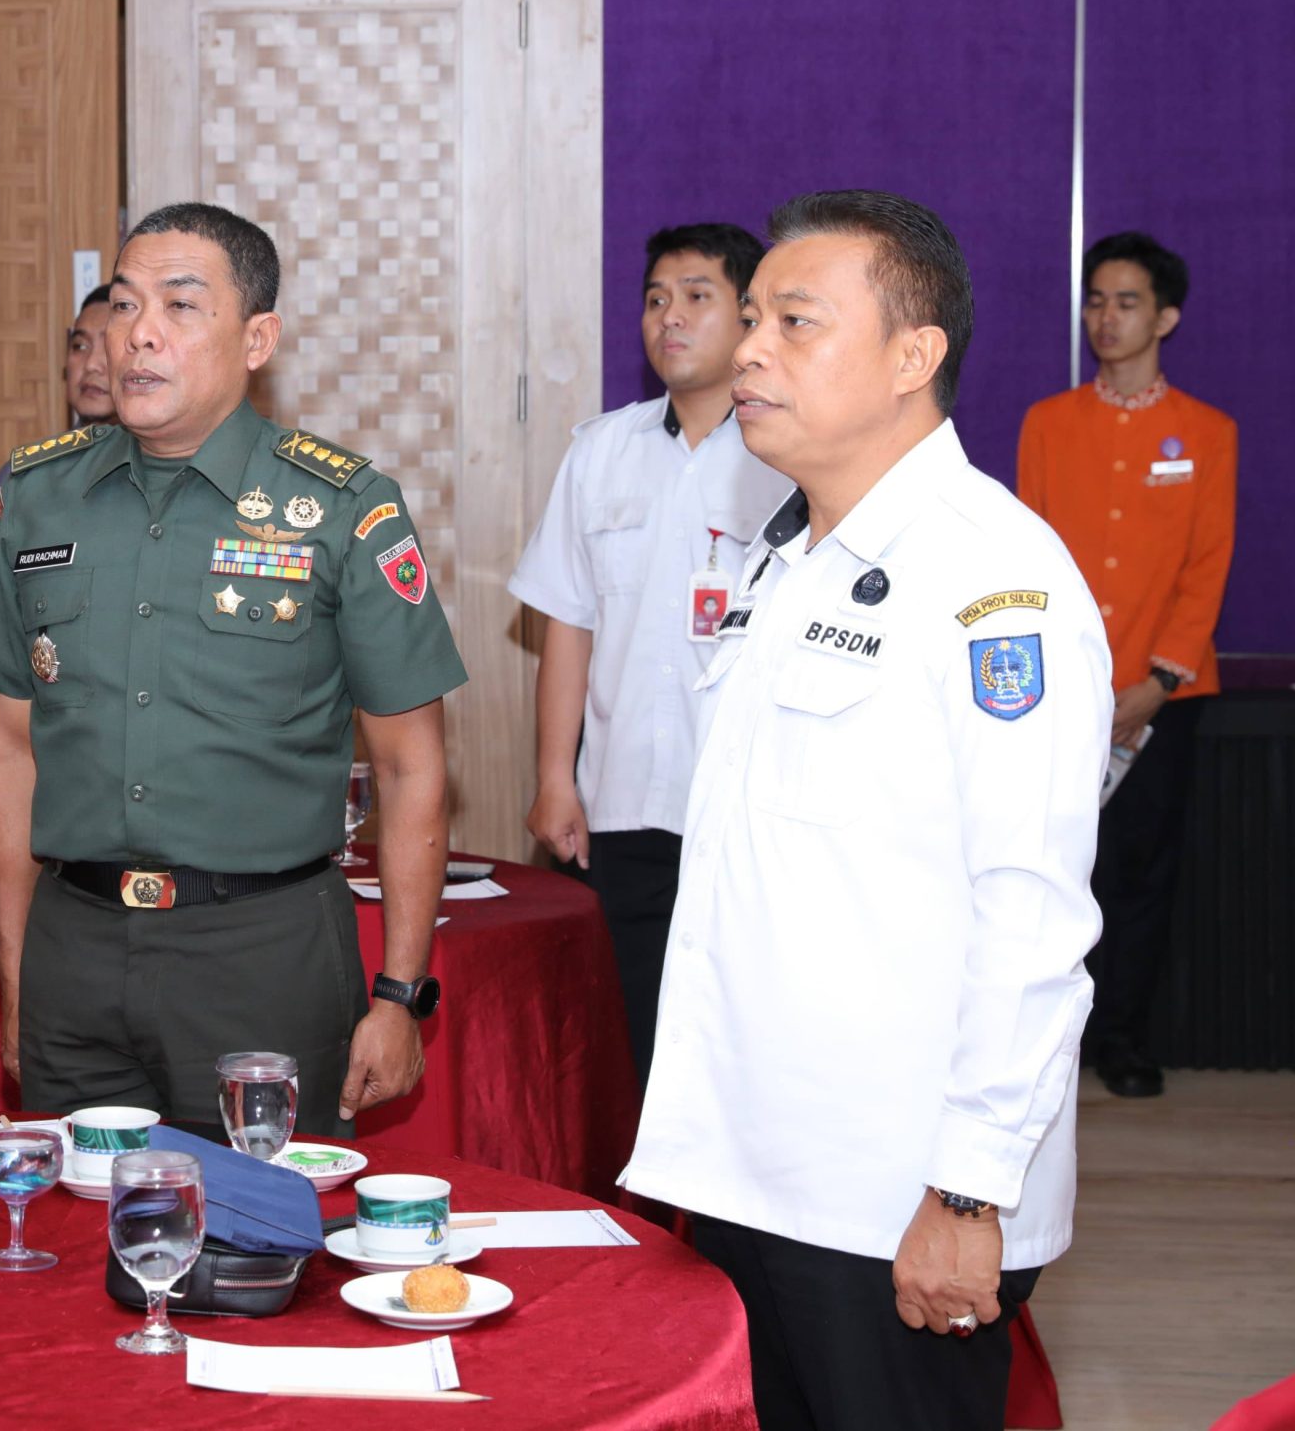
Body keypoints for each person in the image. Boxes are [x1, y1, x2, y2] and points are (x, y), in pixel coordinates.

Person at [621, 192, 1112, 1431]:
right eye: (750, 319)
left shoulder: (993, 577)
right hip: (754, 1165)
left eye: (793, 322)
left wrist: (967, 1190)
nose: (748, 350)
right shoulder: (783, 556)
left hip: (888, 1193)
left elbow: (1030, 915)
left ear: (912, 354)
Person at [0, 201, 467, 1135]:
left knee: (260, 1225)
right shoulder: (33, 496)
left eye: (180, 306)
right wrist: (19, 973)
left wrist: (399, 992)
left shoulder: (341, 509)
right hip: (75, 949)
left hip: (261, 955)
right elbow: (10, 749)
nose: (137, 334)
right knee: (76, 1225)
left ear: (258, 339)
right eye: (123, 304)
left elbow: (409, 766)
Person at [509, 222, 787, 1091]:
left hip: (742, 808)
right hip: (619, 805)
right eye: (656, 298)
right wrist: (556, 779)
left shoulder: (789, 457)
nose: (670, 316)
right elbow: (568, 624)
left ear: (749, 318)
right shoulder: (601, 451)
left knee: (733, 1046)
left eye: (698, 296)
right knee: (624, 1046)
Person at [1016, 231, 1235, 1100]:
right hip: (1059, 697)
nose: (1106, 318)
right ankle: (1051, 1042)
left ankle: (1124, 1038)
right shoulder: (1048, 422)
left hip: (1162, 694)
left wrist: (1159, 681)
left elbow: (1207, 566)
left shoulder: (1207, 433)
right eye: (1096, 301)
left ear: (1166, 317)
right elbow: (1028, 558)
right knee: (1054, 871)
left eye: (1128, 302)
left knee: (1142, 872)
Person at [0, 284, 115, 857]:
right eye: (80, 346)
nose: (92, 364)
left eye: (110, 345)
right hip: (25, 790)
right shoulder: (25, 483)